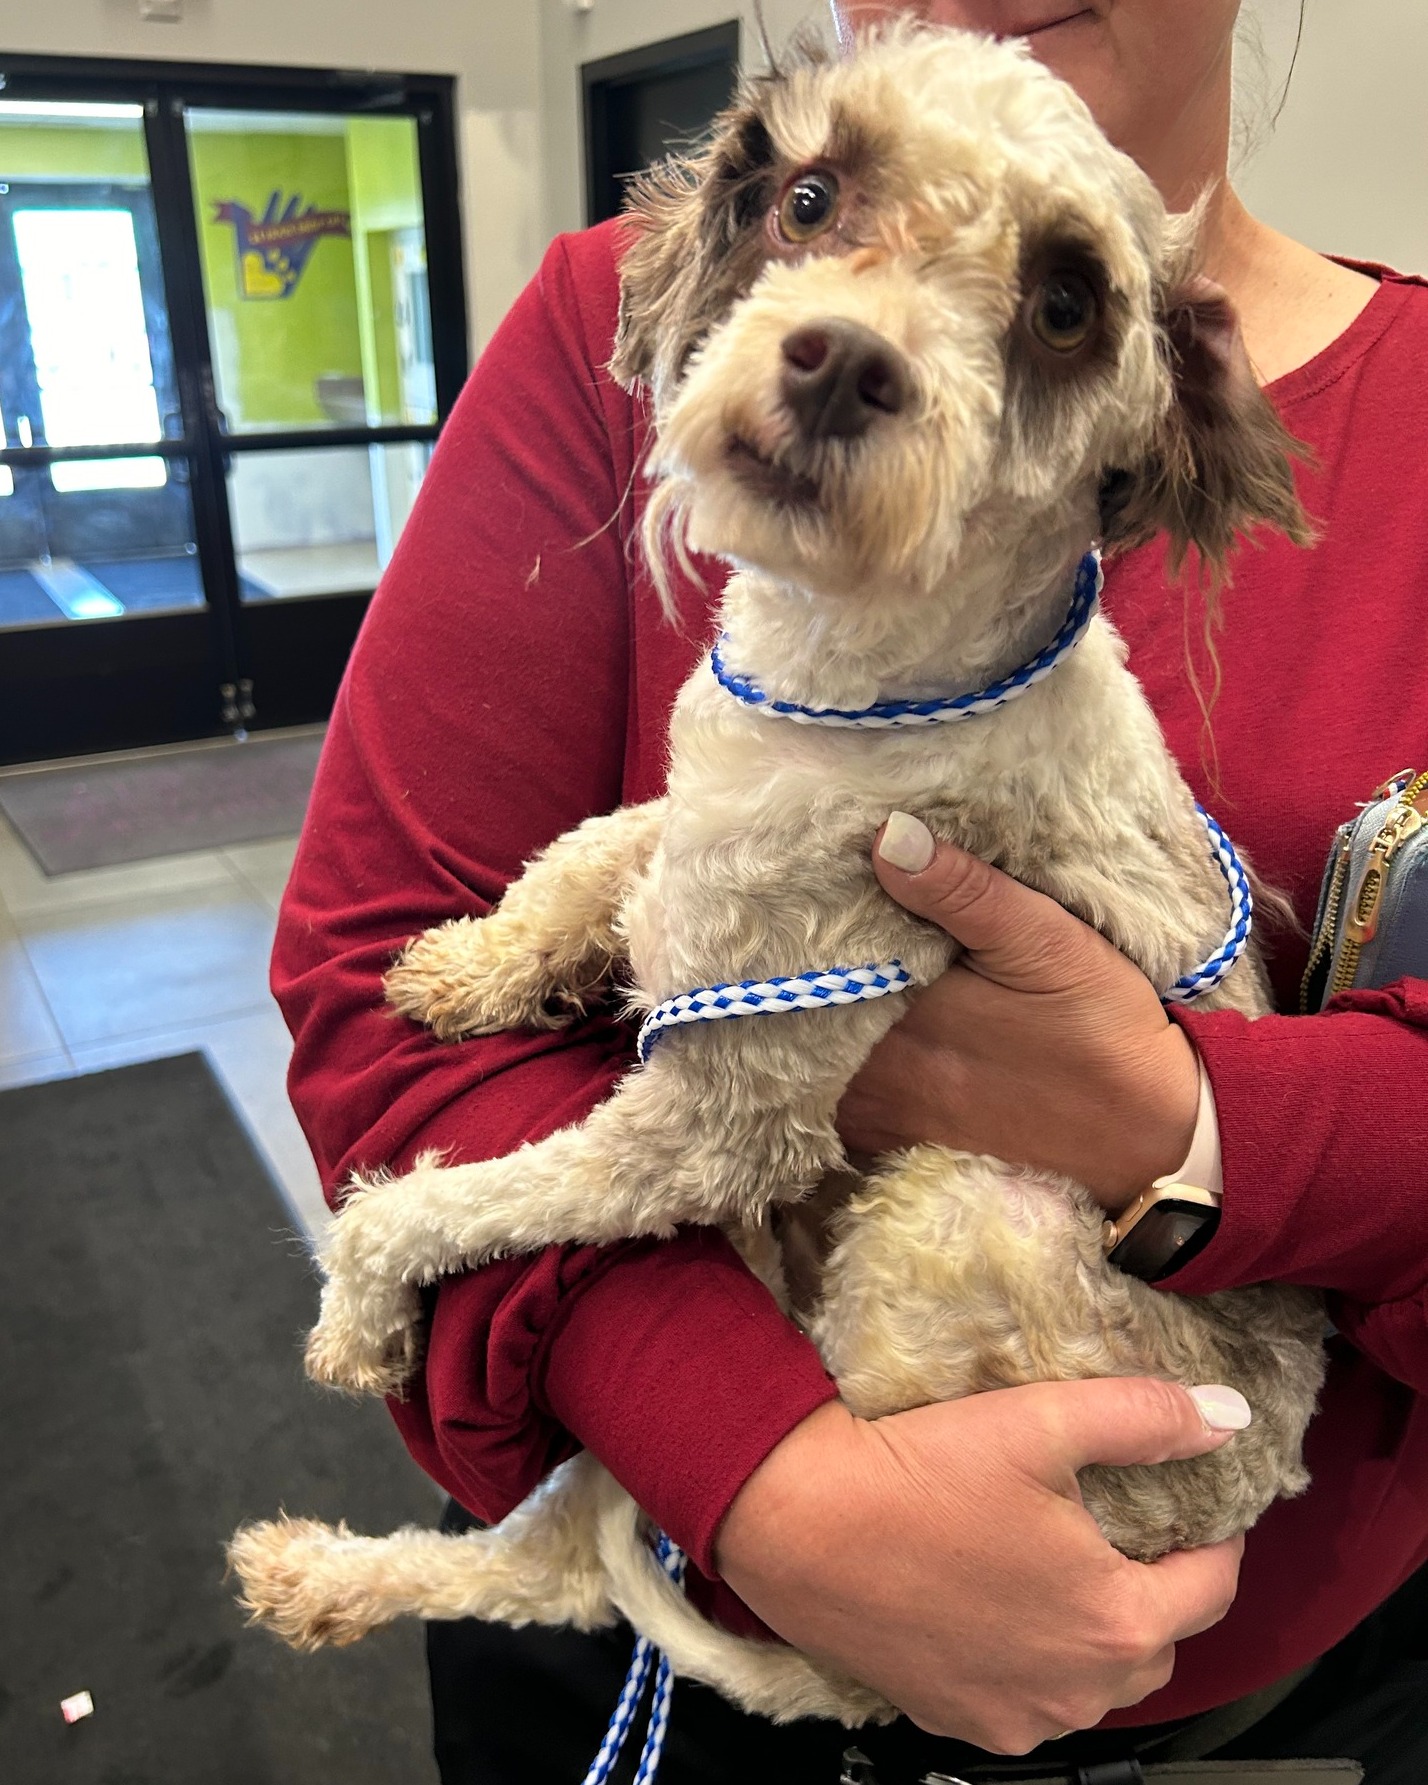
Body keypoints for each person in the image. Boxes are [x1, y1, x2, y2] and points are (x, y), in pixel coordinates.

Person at [271, 2, 1428, 1779]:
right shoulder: (612, 321)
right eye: (822, 211)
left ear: (1138, 439)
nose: (848, 335)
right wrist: (771, 1478)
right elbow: (377, 985)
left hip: (1274, 1696)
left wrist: (1202, 1125)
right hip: (654, 1649)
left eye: (1047, 308)